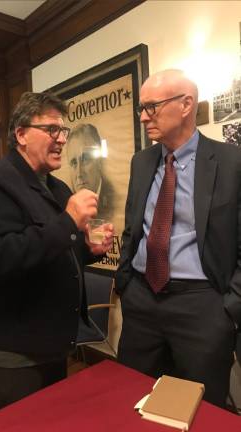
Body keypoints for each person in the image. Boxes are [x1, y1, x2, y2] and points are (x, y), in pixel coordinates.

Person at [0, 91, 114, 415]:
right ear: (21, 134)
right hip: (10, 348)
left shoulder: (57, 188)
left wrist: (89, 249)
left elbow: (57, 252)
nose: (61, 139)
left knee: (49, 420)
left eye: (64, 132)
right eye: (51, 130)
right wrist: (69, 220)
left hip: (51, 341)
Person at [115, 69, 241, 408]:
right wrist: (125, 282)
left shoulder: (232, 162)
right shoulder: (141, 162)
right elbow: (133, 228)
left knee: (201, 407)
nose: (143, 117)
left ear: (186, 105)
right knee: (131, 394)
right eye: (141, 108)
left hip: (202, 306)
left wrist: (228, 308)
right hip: (141, 298)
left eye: (151, 107)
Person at [67, 123, 115, 221]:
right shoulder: (67, 204)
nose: (79, 173)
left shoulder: (113, 200)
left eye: (85, 159)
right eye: (74, 163)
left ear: (99, 161)